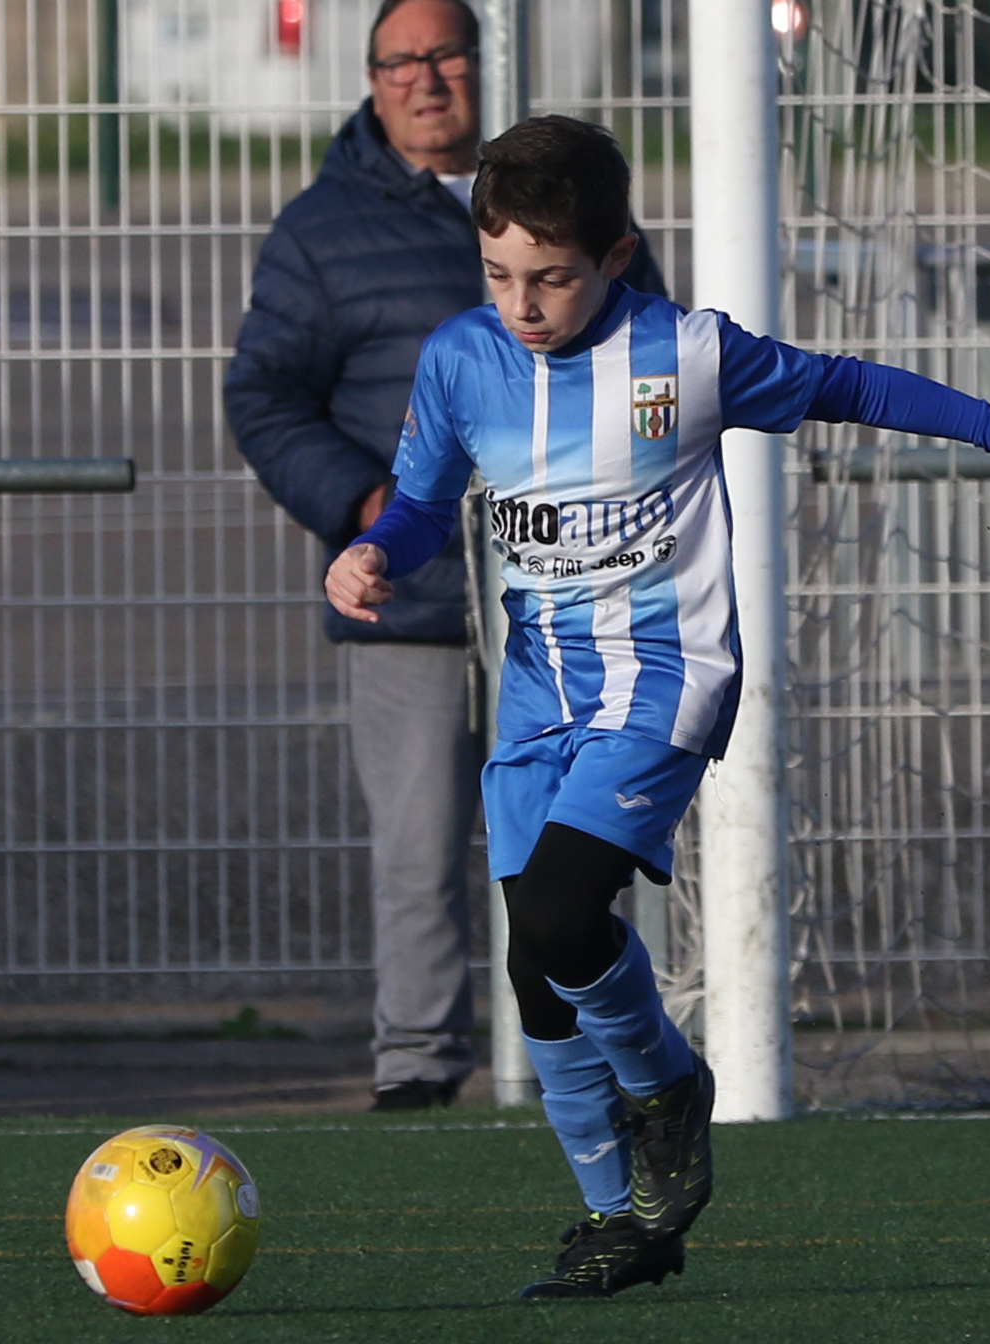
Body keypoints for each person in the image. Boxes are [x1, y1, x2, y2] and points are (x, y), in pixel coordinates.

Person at [326, 115, 990, 1297]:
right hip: (540, 699)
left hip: (666, 681)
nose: (523, 304)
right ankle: (623, 1222)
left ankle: (669, 1087)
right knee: (538, 966)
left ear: (615, 255)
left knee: (562, 916)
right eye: (499, 275)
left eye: (551, 278)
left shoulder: (685, 355)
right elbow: (421, 501)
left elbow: (851, 385)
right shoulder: (461, 360)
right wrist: (373, 553)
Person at [226, 0, 663, 1111]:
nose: (424, 79)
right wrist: (367, 503)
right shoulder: (321, 230)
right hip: (416, 603)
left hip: (580, 606)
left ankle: (608, 1061)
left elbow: (654, 361)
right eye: (398, 62)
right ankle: (419, 1069)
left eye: (445, 55)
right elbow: (264, 395)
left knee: (581, 852)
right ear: (371, 80)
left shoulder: (564, 203)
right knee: (420, 851)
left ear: (486, 59)